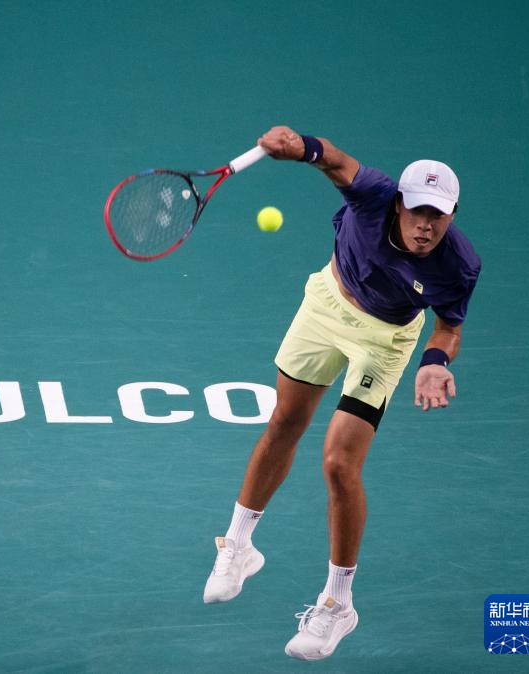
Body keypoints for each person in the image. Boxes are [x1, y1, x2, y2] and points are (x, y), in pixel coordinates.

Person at [202, 126, 481, 660]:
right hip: (327, 306)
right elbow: (333, 160)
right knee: (285, 422)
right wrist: (298, 146)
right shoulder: (373, 194)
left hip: (386, 341)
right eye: (417, 211)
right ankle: (238, 546)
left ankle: (337, 604)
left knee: (338, 464)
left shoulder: (459, 264)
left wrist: (434, 362)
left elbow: (449, 327)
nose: (426, 226)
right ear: (398, 203)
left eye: (438, 215)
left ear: (452, 215)